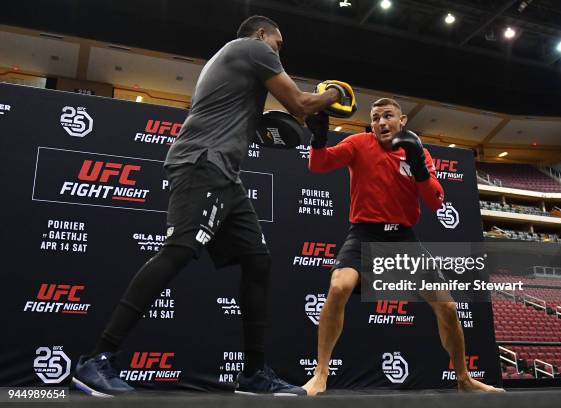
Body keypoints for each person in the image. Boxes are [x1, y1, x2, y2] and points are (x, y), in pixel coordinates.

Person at [72, 15, 351, 397]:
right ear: (260, 35)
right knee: (179, 251)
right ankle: (97, 359)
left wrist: (313, 119)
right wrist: (335, 92)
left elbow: (296, 115)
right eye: (278, 44)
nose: (278, 52)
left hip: (225, 175)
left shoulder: (235, 70)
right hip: (202, 162)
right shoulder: (252, 49)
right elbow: (300, 101)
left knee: (258, 260)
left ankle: (253, 373)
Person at [302, 98, 504, 395]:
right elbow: (319, 165)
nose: (382, 123)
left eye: (388, 116)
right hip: (364, 234)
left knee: (448, 307)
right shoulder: (358, 143)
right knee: (339, 286)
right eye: (375, 118)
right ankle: (320, 374)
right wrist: (318, 139)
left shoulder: (416, 151)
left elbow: (436, 201)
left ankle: (463, 379)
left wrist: (419, 165)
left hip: (402, 240)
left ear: (402, 120)